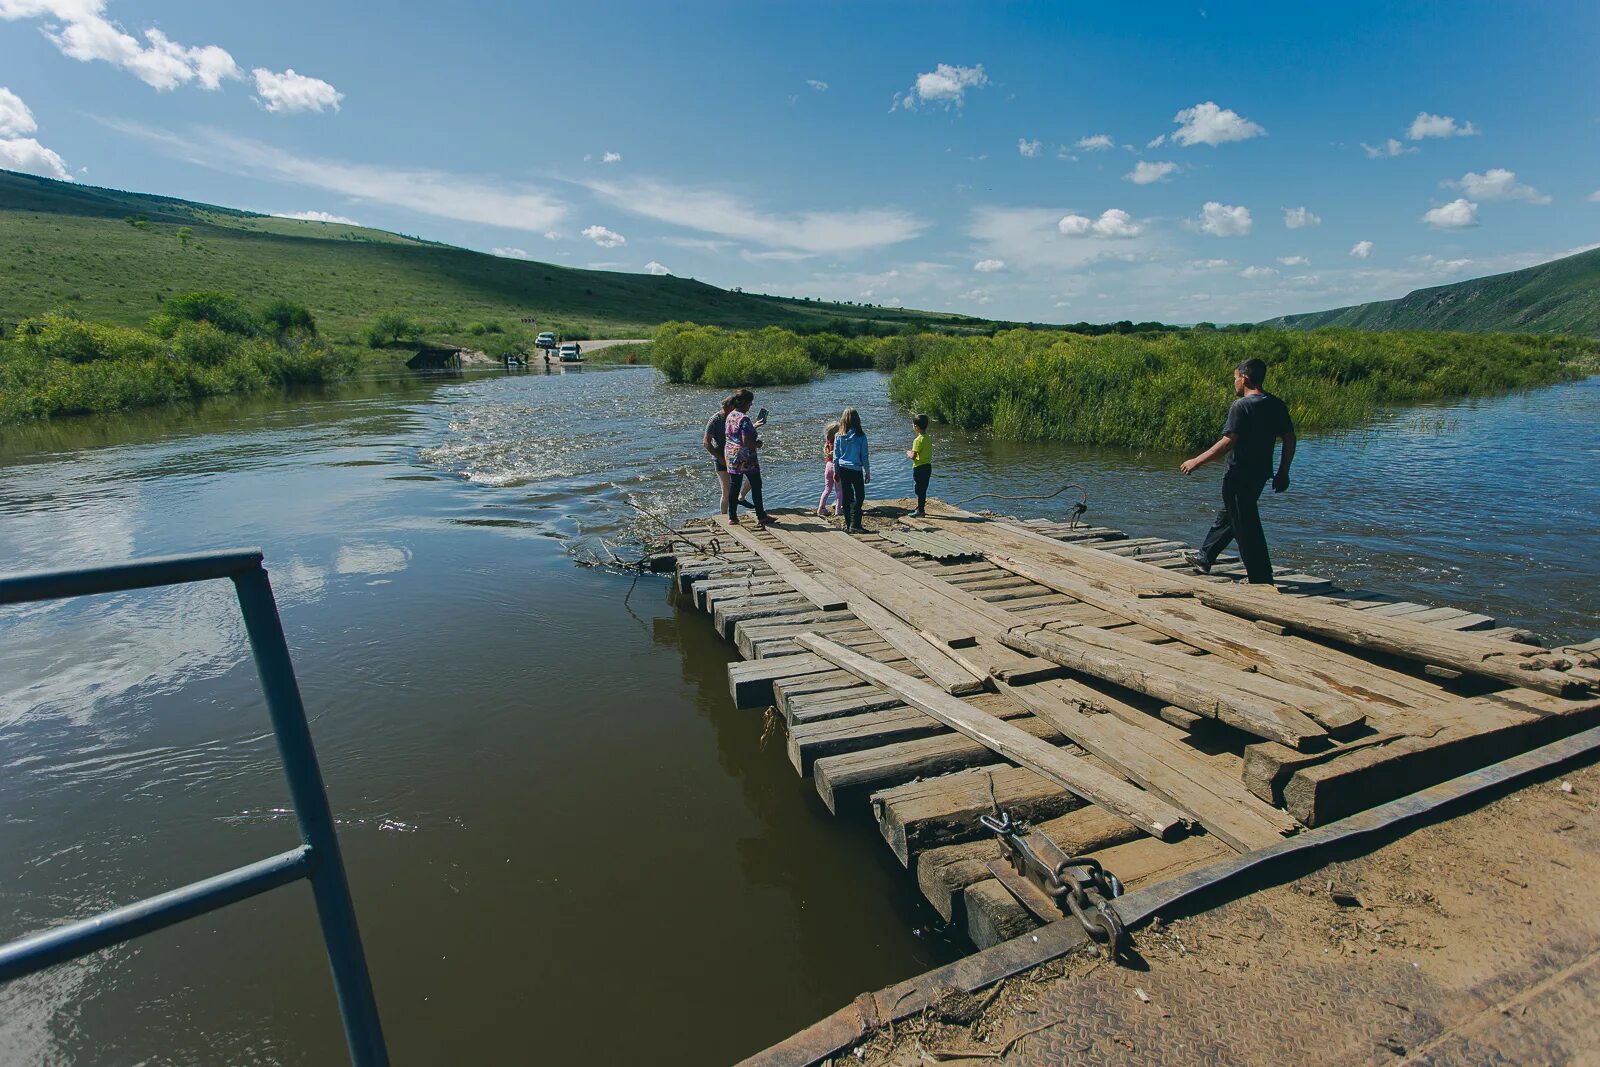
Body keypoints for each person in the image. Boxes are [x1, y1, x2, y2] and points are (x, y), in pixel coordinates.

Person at [1179, 357, 1296, 585]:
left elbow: (1227, 442)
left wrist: (1196, 461)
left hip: (1237, 475)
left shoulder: (1241, 406)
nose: (1234, 383)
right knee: (1231, 516)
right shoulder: (1276, 404)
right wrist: (1283, 472)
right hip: (1260, 474)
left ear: (1244, 378)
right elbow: (1290, 439)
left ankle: (1260, 578)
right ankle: (1205, 557)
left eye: (1235, 378)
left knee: (1246, 525)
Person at [725, 388, 778, 528]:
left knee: (734, 485)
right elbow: (746, 441)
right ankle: (761, 516)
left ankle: (732, 517)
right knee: (756, 484)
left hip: (731, 455)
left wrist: (754, 426)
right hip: (746, 456)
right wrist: (758, 444)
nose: (751, 405)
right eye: (750, 402)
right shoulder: (744, 418)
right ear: (744, 403)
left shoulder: (731, 415)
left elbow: (734, 435)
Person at [833, 406, 871, 533]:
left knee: (847, 496)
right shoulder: (861, 436)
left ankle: (849, 524)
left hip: (843, 468)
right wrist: (867, 471)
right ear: (857, 420)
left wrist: (835, 470)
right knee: (860, 496)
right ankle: (855, 524)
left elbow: (836, 456)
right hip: (856, 469)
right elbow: (864, 456)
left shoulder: (839, 435)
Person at [906, 413, 932, 518]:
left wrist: (908, 453)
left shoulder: (917, 440)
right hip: (928, 467)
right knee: (923, 489)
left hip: (919, 468)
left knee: (918, 490)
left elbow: (913, 456)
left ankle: (920, 511)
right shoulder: (928, 438)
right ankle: (920, 507)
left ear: (916, 427)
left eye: (913, 425)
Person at [817, 421, 840, 517]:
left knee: (827, 489)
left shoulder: (828, 442)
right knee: (840, 490)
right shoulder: (838, 442)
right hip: (836, 466)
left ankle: (821, 508)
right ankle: (839, 509)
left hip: (828, 466)